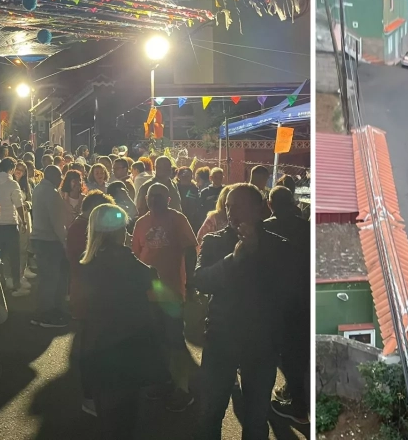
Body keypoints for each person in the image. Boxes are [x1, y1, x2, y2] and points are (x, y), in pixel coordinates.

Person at [193, 184, 292, 440]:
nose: (231, 212)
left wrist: (258, 251)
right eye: (228, 206)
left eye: (239, 206)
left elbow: (288, 290)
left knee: (257, 419)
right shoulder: (214, 241)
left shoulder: (279, 245)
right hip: (220, 338)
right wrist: (233, 259)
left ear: (259, 210)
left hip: (262, 343)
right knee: (210, 412)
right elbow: (200, 280)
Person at [78, 204, 169, 439]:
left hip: (96, 347)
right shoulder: (131, 264)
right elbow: (155, 287)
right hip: (128, 348)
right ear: (118, 231)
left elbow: (80, 308)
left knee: (106, 417)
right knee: (125, 418)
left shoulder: (87, 264)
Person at [130, 183, 197, 411]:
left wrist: (191, 284)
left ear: (168, 199)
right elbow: (136, 256)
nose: (154, 200)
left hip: (172, 291)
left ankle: (183, 389)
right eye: (150, 197)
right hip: (148, 294)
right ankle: (163, 381)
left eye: (158, 197)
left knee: (175, 340)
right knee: (156, 340)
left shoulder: (178, 219)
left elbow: (190, 250)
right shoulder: (141, 223)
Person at [66, 190, 115, 417]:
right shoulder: (80, 228)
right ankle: (89, 397)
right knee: (89, 346)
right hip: (87, 296)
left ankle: (98, 391)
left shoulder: (83, 226)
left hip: (93, 295)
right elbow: (85, 261)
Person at [264, 187, 311, 425]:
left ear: (271, 204)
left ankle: (299, 408)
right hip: (304, 299)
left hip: (277, 302)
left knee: (284, 354)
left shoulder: (266, 228)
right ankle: (295, 394)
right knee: (299, 352)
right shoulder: (306, 227)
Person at [30, 165, 70, 328]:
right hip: (50, 241)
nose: (61, 179)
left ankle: (45, 312)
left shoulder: (38, 189)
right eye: (60, 176)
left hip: (40, 239)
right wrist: (66, 243)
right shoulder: (52, 194)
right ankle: (47, 314)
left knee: (45, 278)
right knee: (52, 279)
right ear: (54, 176)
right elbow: (58, 224)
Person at [0, 157, 30, 297]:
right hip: (10, 225)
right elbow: (19, 205)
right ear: (12, 169)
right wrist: (24, 222)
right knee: (14, 256)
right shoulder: (13, 184)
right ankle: (16, 285)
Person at [176, 167, 203, 233]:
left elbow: (198, 204)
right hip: (177, 219)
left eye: (188, 176)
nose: (186, 178)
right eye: (184, 176)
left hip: (192, 221)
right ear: (179, 176)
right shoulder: (175, 188)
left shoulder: (194, 189)